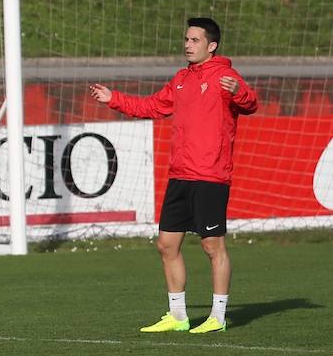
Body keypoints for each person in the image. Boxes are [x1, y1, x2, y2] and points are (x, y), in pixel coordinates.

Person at [89, 17, 258, 334]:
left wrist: (241, 92)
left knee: (212, 247)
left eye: (195, 40)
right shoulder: (181, 79)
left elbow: (250, 103)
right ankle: (178, 316)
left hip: (210, 175)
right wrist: (114, 99)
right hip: (180, 174)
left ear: (212, 46)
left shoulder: (225, 76)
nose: (187, 45)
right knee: (166, 245)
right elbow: (152, 106)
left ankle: (218, 317)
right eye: (186, 39)